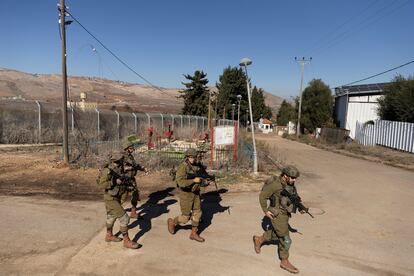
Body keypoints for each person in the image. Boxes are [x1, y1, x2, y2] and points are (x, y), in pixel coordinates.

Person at [253, 165, 305, 274]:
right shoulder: (275, 185)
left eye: (295, 178)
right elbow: (262, 196)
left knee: (278, 233)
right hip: (277, 214)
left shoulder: (290, 183)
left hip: (285, 214)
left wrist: (300, 207)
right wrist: (265, 210)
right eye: (292, 177)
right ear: (285, 176)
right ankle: (284, 261)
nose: (294, 180)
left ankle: (259, 239)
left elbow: (293, 196)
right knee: (286, 239)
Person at [97, 152, 140, 249]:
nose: (122, 160)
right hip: (110, 198)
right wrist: (114, 182)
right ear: (115, 160)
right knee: (125, 218)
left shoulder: (119, 168)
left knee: (111, 216)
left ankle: (109, 235)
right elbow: (100, 184)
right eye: (121, 159)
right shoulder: (107, 170)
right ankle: (126, 241)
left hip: (116, 197)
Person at [167, 148, 206, 242]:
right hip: (186, 194)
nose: (193, 159)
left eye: (194, 157)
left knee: (198, 213)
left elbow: (202, 177)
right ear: (187, 157)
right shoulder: (183, 167)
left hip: (195, 193)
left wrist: (205, 182)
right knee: (185, 218)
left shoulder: (198, 165)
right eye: (191, 157)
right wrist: (193, 180)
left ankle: (193, 233)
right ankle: (173, 222)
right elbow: (180, 182)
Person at [121, 135, 148, 219]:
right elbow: (119, 168)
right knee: (123, 196)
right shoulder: (122, 156)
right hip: (124, 179)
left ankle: (133, 212)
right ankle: (115, 209)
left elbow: (135, 165)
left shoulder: (130, 156)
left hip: (131, 179)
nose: (133, 149)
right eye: (131, 148)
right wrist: (128, 168)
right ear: (127, 148)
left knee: (135, 195)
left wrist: (142, 168)